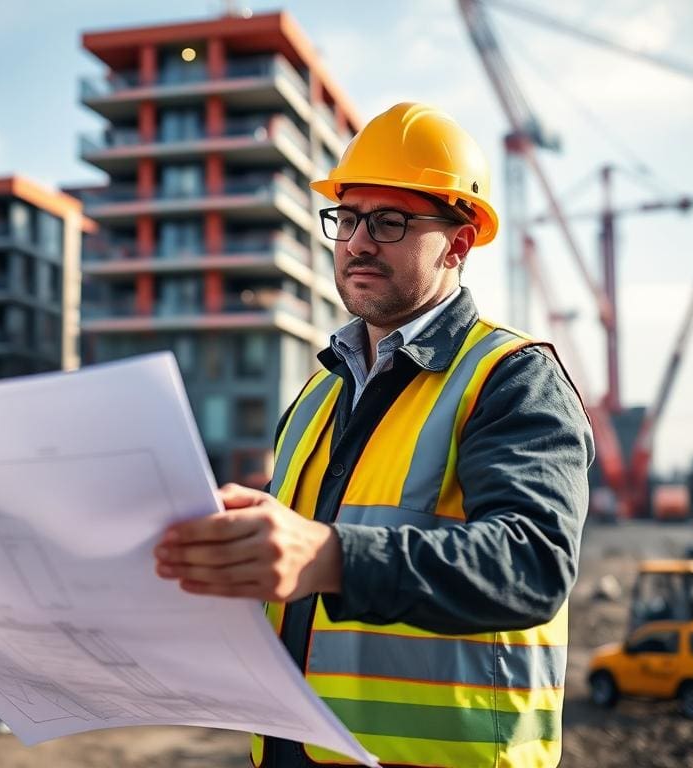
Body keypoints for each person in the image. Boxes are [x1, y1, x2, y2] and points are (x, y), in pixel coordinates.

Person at [154, 102, 593, 768]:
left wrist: (332, 556)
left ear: (460, 241)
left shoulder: (510, 378)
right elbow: (291, 569)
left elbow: (533, 564)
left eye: (390, 222)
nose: (358, 241)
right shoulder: (319, 392)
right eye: (347, 217)